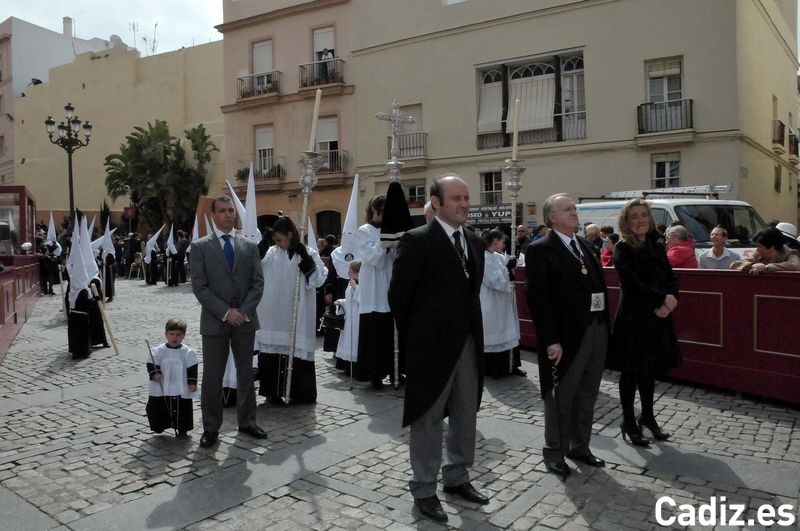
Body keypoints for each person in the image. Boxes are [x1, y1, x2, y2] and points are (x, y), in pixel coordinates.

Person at [389, 175, 489, 524]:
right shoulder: (416, 241)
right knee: (428, 418)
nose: (464, 204)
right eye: (457, 198)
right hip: (429, 348)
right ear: (437, 202)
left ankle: (458, 476)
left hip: (468, 344)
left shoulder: (475, 241)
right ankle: (424, 488)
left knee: (466, 412)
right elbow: (399, 298)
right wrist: (418, 339)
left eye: (467, 197)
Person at [525, 193, 608, 479]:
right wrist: (550, 339)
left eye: (574, 208)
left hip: (595, 329)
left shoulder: (584, 245)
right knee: (560, 395)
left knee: (587, 393)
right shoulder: (541, 249)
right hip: (564, 336)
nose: (575, 212)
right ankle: (554, 452)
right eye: (568, 209)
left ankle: (580, 446)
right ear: (552, 218)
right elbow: (538, 300)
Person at [190, 195, 266, 449]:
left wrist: (242, 311)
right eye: (222, 211)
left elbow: (258, 283)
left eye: (231, 210)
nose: (228, 215)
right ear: (213, 215)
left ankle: (247, 421)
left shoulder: (249, 246)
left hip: (245, 321)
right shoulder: (200, 247)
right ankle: (211, 428)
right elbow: (200, 287)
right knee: (213, 377)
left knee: (246, 374)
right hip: (215, 322)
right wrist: (225, 312)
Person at [610, 198, 681, 447]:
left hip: (656, 318)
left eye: (644, 215)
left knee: (649, 371)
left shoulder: (656, 244)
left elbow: (670, 278)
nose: (640, 220)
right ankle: (629, 422)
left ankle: (648, 418)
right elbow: (632, 285)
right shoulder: (623, 248)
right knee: (631, 372)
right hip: (633, 319)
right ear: (626, 222)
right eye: (634, 217)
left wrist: (670, 301)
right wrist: (662, 300)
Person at [256, 216, 327, 404]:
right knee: (273, 350)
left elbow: (317, 280)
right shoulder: (271, 253)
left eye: (280, 240)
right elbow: (254, 267)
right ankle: (273, 391)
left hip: (299, 311)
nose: (278, 244)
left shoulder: (309, 252)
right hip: (274, 311)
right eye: (275, 241)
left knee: (297, 349)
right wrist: (263, 243)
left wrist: (303, 255)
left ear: (290, 235)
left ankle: (300, 392)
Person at [356, 196, 396, 388]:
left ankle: (395, 370)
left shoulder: (391, 230)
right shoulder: (364, 231)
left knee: (390, 333)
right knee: (374, 335)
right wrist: (383, 242)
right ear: (373, 210)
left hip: (389, 286)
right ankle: (375, 375)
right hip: (373, 290)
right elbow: (373, 258)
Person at [146, 319, 198, 438]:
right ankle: (160, 425)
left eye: (178, 335)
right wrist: (155, 374)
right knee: (159, 406)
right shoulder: (157, 351)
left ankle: (182, 428)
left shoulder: (188, 352)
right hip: (163, 384)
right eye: (172, 334)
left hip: (180, 385)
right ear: (166, 334)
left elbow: (192, 368)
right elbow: (152, 363)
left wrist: (192, 383)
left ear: (184, 336)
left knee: (182, 407)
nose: (175, 337)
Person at [480, 229, 522, 378]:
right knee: (495, 334)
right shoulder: (483, 257)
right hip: (492, 302)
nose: (504, 245)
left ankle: (511, 366)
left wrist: (514, 262)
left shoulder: (497, 256)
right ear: (495, 241)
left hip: (504, 302)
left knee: (509, 332)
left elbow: (509, 265)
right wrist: (507, 268)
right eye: (503, 241)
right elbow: (492, 280)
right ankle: (494, 369)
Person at [731, 227, 800, 274]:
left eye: (760, 246)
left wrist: (766, 267)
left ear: (772, 247)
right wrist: (752, 265)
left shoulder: (789, 253)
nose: (757, 249)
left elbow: (795, 266)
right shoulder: (758, 254)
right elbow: (734, 265)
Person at [334, 261, 361, 374]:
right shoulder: (350, 283)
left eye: (350, 271)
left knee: (354, 341)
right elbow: (349, 301)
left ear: (356, 273)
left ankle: (355, 367)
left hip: (357, 318)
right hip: (349, 317)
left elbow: (363, 299)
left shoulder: (362, 283)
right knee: (346, 341)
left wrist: (357, 288)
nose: (348, 273)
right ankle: (347, 365)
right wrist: (341, 302)